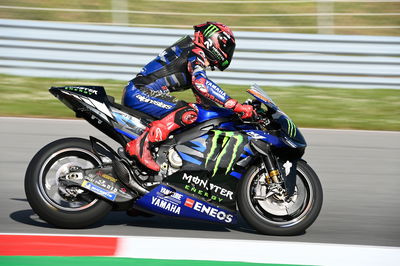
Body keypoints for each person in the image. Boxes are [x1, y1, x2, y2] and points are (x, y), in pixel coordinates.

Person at [123, 22, 254, 172]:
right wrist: (236, 106)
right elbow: (202, 85)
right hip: (139, 92)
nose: (228, 52)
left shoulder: (191, 52)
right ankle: (141, 146)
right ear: (213, 41)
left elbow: (204, 100)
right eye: (226, 47)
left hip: (140, 92)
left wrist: (231, 115)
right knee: (187, 112)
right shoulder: (195, 53)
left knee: (194, 113)